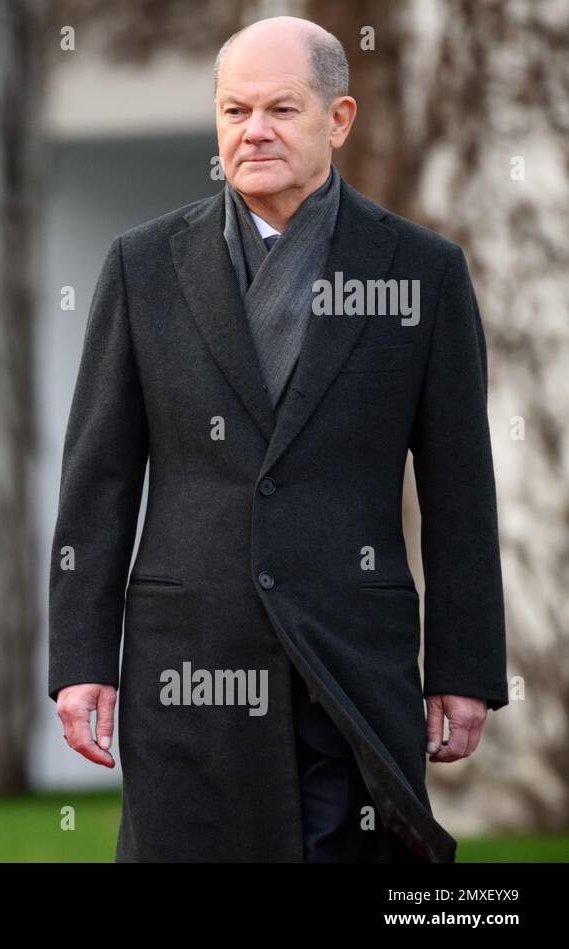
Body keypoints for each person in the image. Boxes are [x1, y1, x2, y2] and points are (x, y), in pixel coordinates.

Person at [48, 16, 507, 862]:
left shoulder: (423, 272)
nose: (251, 132)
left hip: (350, 663)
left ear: (338, 119)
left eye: (280, 109)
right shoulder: (142, 266)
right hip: (188, 664)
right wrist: (82, 658)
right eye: (233, 111)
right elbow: (99, 480)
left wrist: (464, 667)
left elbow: (460, 491)